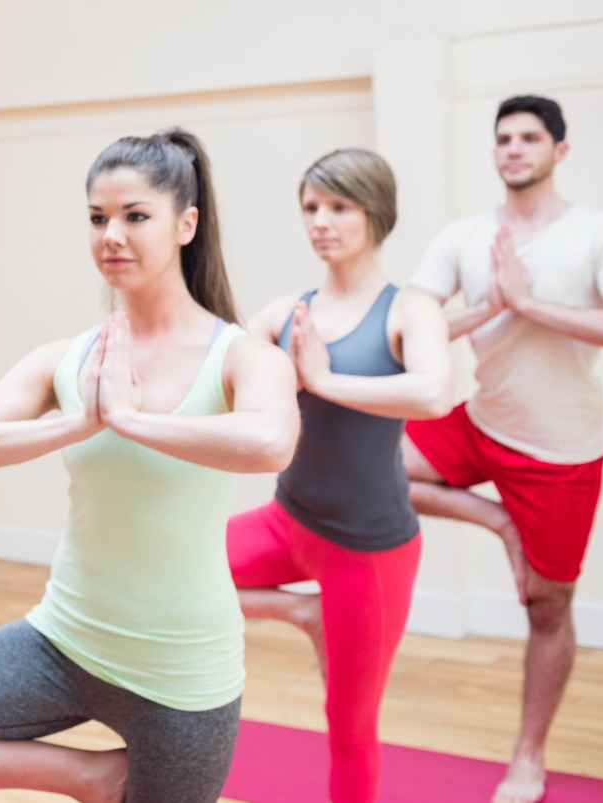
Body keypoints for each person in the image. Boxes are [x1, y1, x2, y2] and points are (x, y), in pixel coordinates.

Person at [0, 129, 299, 803]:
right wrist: (77, 422)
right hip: (61, 640)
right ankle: (91, 778)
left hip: (181, 672)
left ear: (186, 224)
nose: (112, 235)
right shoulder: (70, 359)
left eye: (135, 216)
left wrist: (132, 421)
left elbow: (270, 442)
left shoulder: (242, 356)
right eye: (98, 217)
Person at [402, 95, 603, 803]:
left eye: (529, 137)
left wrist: (527, 305)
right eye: (504, 138)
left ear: (560, 149)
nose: (514, 149)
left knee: (547, 605)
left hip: (561, 450)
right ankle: (501, 522)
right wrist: (490, 306)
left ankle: (529, 754)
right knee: (366, 470)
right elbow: (410, 324)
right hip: (481, 422)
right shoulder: (465, 236)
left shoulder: (595, 232)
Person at [228, 148, 451, 802]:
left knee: (350, 728)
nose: (320, 221)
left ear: (374, 212)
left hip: (370, 551)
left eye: (338, 206)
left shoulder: (410, 309)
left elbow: (434, 393)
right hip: (286, 520)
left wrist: (323, 380)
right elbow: (220, 371)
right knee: (172, 573)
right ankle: (303, 613)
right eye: (310, 207)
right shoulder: (285, 312)